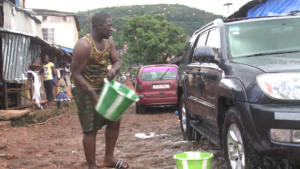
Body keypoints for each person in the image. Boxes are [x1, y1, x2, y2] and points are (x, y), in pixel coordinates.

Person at [71, 12, 127, 169]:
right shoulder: (84, 45)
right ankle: (92, 166)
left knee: (115, 119)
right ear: (99, 26)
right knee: (91, 128)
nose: (112, 29)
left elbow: (117, 62)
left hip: (103, 87)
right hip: (84, 89)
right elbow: (75, 74)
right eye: (109, 25)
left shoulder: (109, 42)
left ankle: (109, 158)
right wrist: (92, 93)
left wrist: (113, 71)